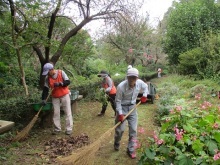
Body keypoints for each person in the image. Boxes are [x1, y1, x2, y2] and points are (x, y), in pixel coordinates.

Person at [114, 67, 149, 159]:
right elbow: (117, 101)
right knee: (120, 130)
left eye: (134, 77)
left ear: (137, 78)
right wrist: (120, 114)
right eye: (130, 77)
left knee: (133, 129)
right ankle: (117, 142)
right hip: (122, 107)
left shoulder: (140, 83)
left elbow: (146, 87)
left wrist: (144, 95)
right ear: (127, 77)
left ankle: (131, 149)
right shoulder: (121, 87)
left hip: (133, 108)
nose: (132, 79)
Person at [41, 63, 73, 135]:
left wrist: (60, 84)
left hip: (65, 95)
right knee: (56, 113)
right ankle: (57, 129)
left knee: (67, 112)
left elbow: (68, 81)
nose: (47, 74)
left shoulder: (61, 72)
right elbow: (45, 89)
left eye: (48, 72)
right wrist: (43, 99)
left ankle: (69, 129)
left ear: (52, 70)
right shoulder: (47, 78)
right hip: (55, 97)